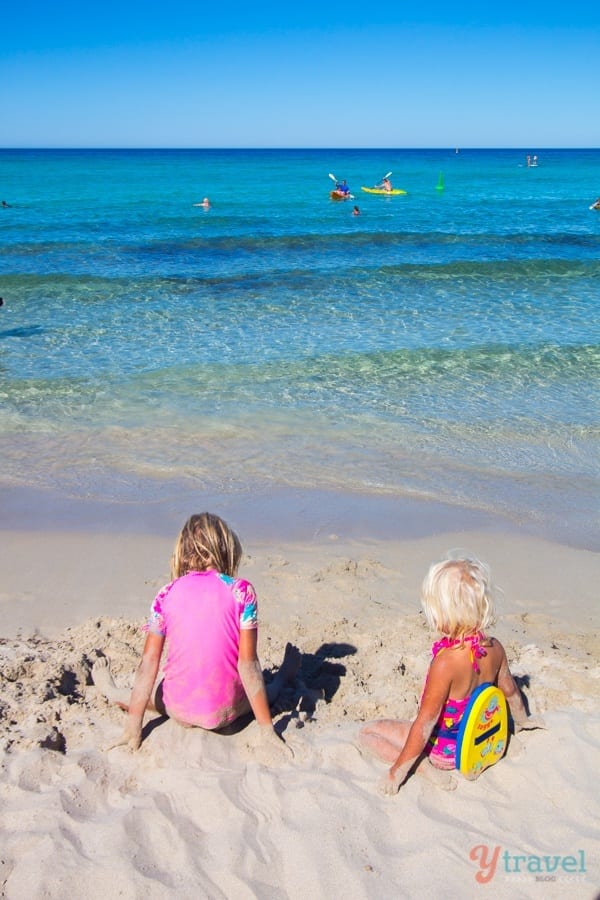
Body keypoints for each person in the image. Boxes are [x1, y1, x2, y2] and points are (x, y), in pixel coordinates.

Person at [92, 512, 300, 756]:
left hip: (179, 710)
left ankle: (111, 691)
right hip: (227, 713)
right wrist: (266, 731)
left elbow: (149, 663)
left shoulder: (165, 594)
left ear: (182, 551)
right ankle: (284, 677)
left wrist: (133, 728)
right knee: (266, 687)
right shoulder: (241, 591)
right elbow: (248, 664)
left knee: (156, 694)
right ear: (225, 548)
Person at [359, 556, 545, 795]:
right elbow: (510, 691)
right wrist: (523, 722)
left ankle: (421, 768)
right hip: (476, 744)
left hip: (444, 751)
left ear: (446, 614)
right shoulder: (495, 648)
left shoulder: (445, 663)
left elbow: (426, 722)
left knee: (367, 733)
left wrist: (396, 774)